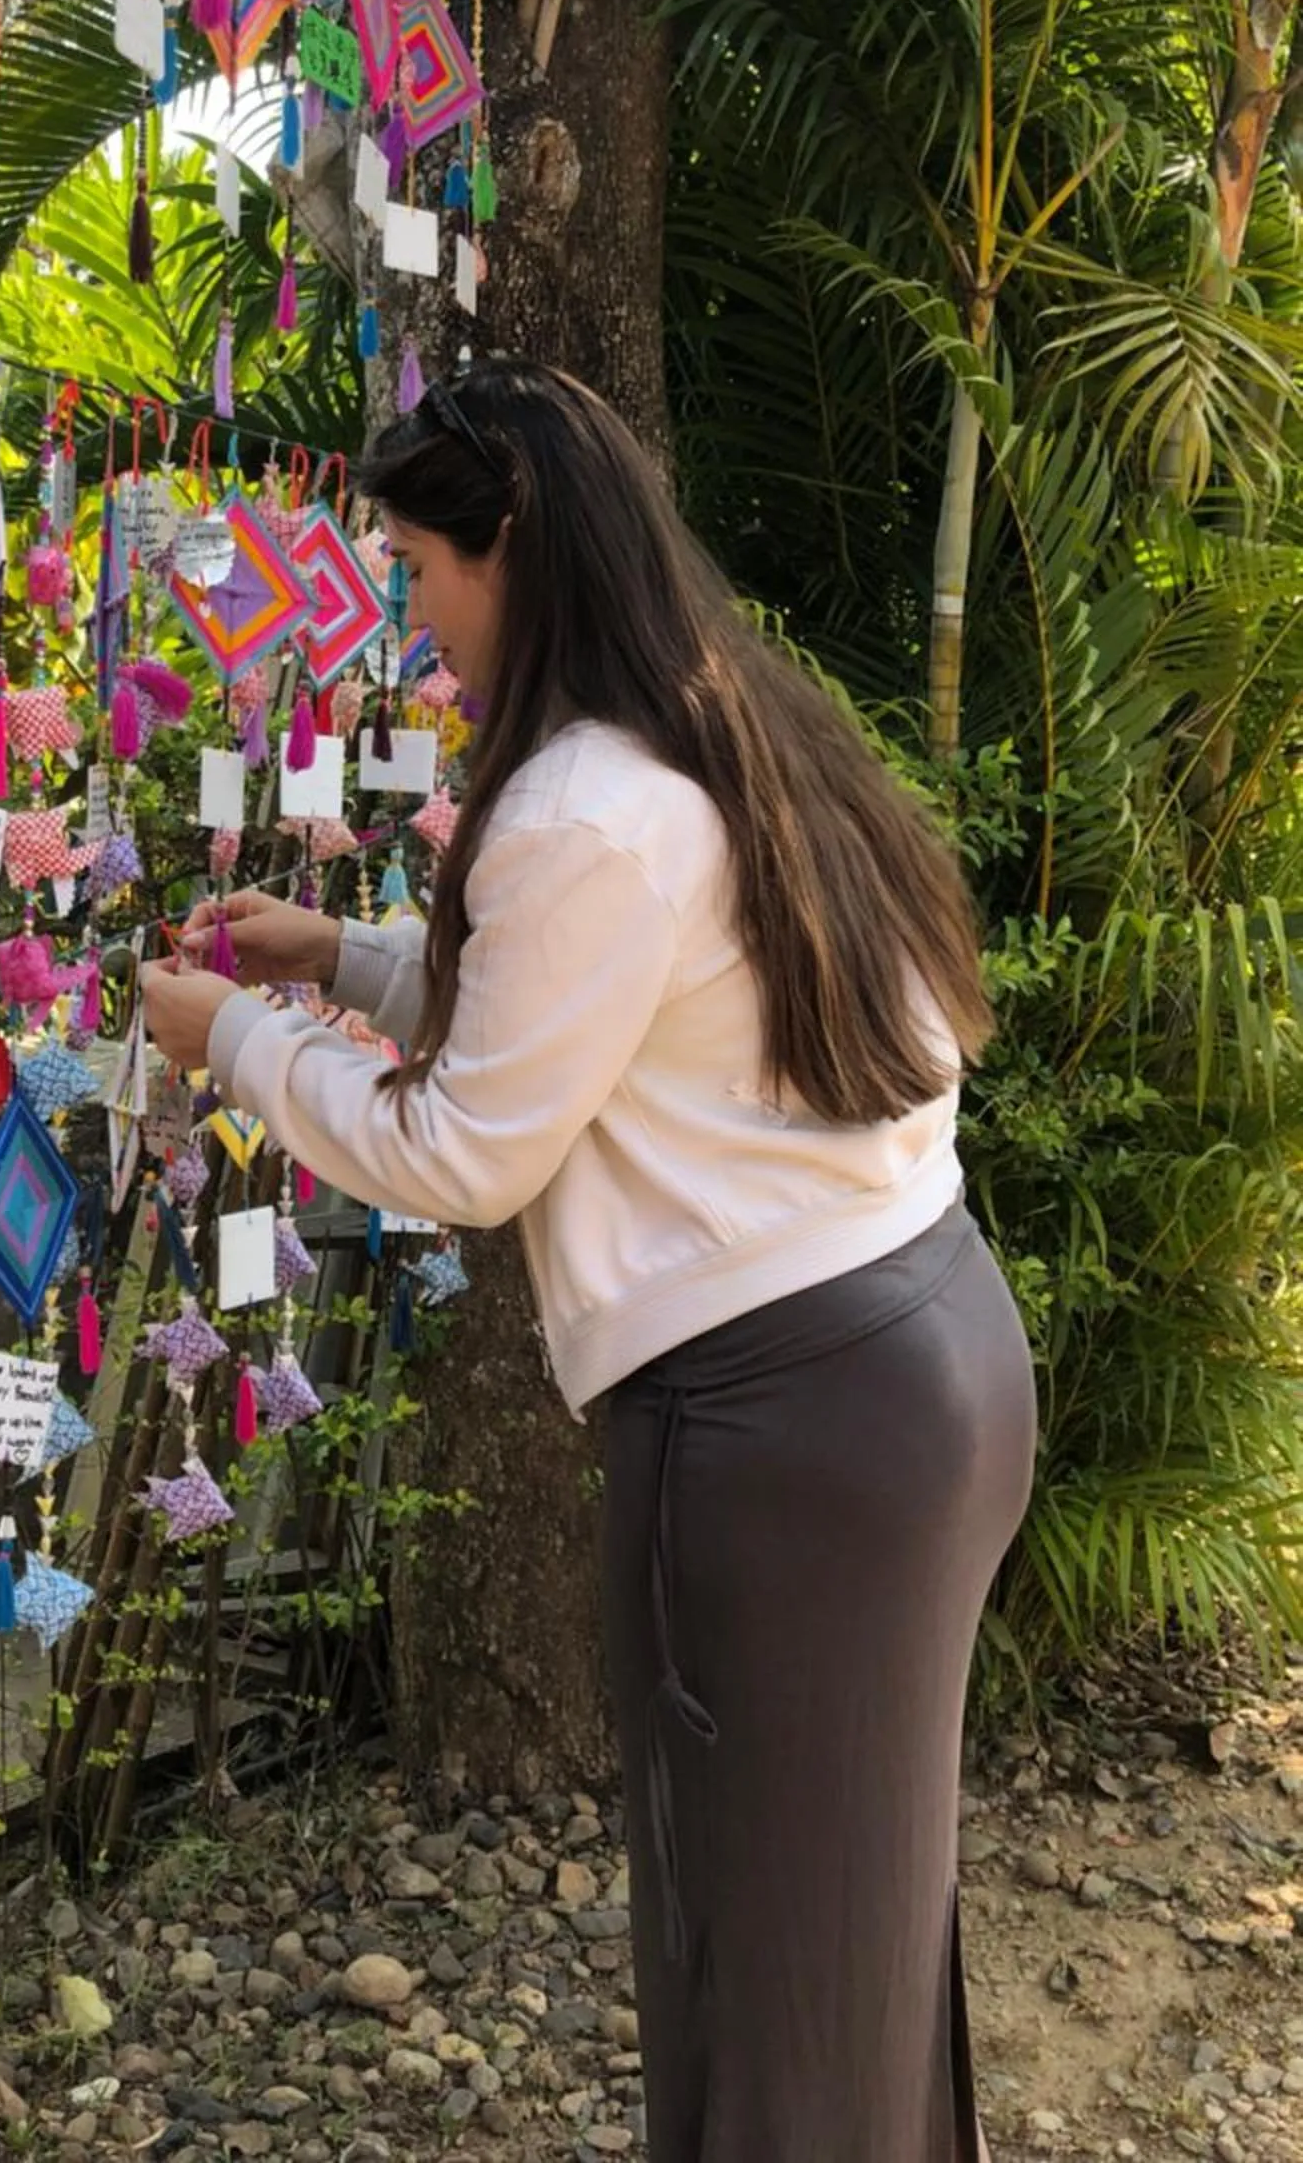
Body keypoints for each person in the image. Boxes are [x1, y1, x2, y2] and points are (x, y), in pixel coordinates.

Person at [141, 357, 1036, 2163]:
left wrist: (229, 1038)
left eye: (419, 569)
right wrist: (345, 958)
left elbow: (463, 1151)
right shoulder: (725, 727)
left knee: (760, 1959)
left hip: (781, 1431)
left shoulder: (576, 806)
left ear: (513, 549)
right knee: (849, 1936)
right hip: (926, 1356)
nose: (412, 618)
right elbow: (617, 1027)